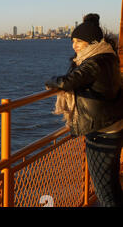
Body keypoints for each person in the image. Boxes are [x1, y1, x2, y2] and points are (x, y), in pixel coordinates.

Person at [45, 13, 123, 207]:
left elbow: (67, 82)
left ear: (91, 42)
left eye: (79, 41)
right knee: (112, 184)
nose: (74, 45)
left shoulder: (93, 62)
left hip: (101, 132)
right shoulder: (109, 57)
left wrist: (50, 80)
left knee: (104, 191)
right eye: (73, 41)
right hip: (114, 126)